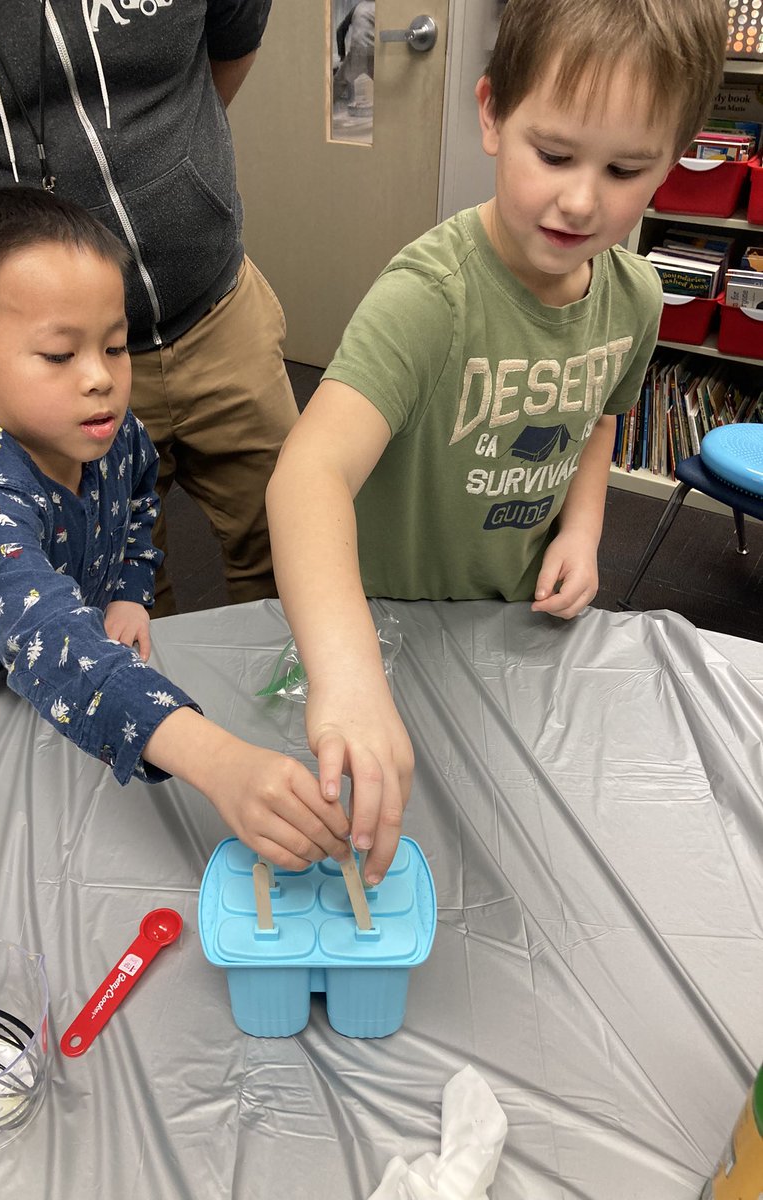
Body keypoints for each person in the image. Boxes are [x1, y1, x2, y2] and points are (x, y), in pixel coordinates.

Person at [264, 0, 728, 886]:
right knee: (376, 841)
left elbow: (598, 416)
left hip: (509, 621)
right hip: (384, 625)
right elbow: (309, 472)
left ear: (672, 162)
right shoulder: (430, 298)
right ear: (490, 115)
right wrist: (349, 676)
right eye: (553, 155)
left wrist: (583, 527)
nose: (582, 199)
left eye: (628, 168)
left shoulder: (635, 298)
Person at [0, 188, 349, 873]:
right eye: (60, 355)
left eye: (115, 346)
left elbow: (139, 511)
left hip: (60, 664)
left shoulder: (118, 437)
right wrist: (220, 762)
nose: (101, 379)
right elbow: (54, 645)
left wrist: (129, 592)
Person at [0, 0, 296, 618]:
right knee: (119, 588)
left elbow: (233, 43)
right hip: (50, 393)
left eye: (103, 350)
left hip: (220, 309)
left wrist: (177, 168)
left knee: (286, 542)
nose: (100, 375)